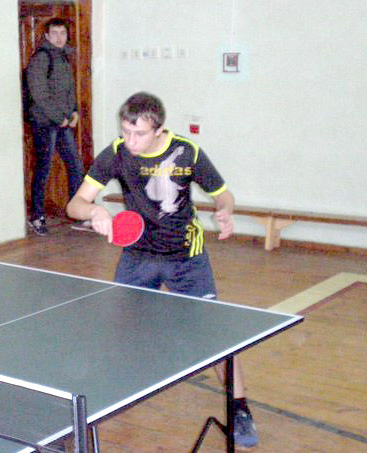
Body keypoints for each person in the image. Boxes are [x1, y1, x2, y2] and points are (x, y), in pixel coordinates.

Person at [67, 92, 258, 449]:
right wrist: (94, 211)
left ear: (159, 130)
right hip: (137, 256)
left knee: (214, 338)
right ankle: (108, 399)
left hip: (186, 257)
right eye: (125, 131)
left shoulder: (187, 153)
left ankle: (240, 408)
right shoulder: (117, 153)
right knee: (119, 330)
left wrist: (225, 210)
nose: (130, 141)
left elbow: (223, 193)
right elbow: (75, 203)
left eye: (139, 134)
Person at [26, 18, 84, 236]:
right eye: (55, 33)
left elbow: (68, 90)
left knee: (75, 165)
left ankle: (79, 213)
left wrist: (74, 111)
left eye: (63, 33)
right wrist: (59, 118)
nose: (59, 37)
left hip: (62, 122)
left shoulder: (63, 57)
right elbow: (39, 94)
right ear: (47, 36)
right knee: (44, 168)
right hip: (45, 123)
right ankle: (37, 216)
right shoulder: (41, 58)